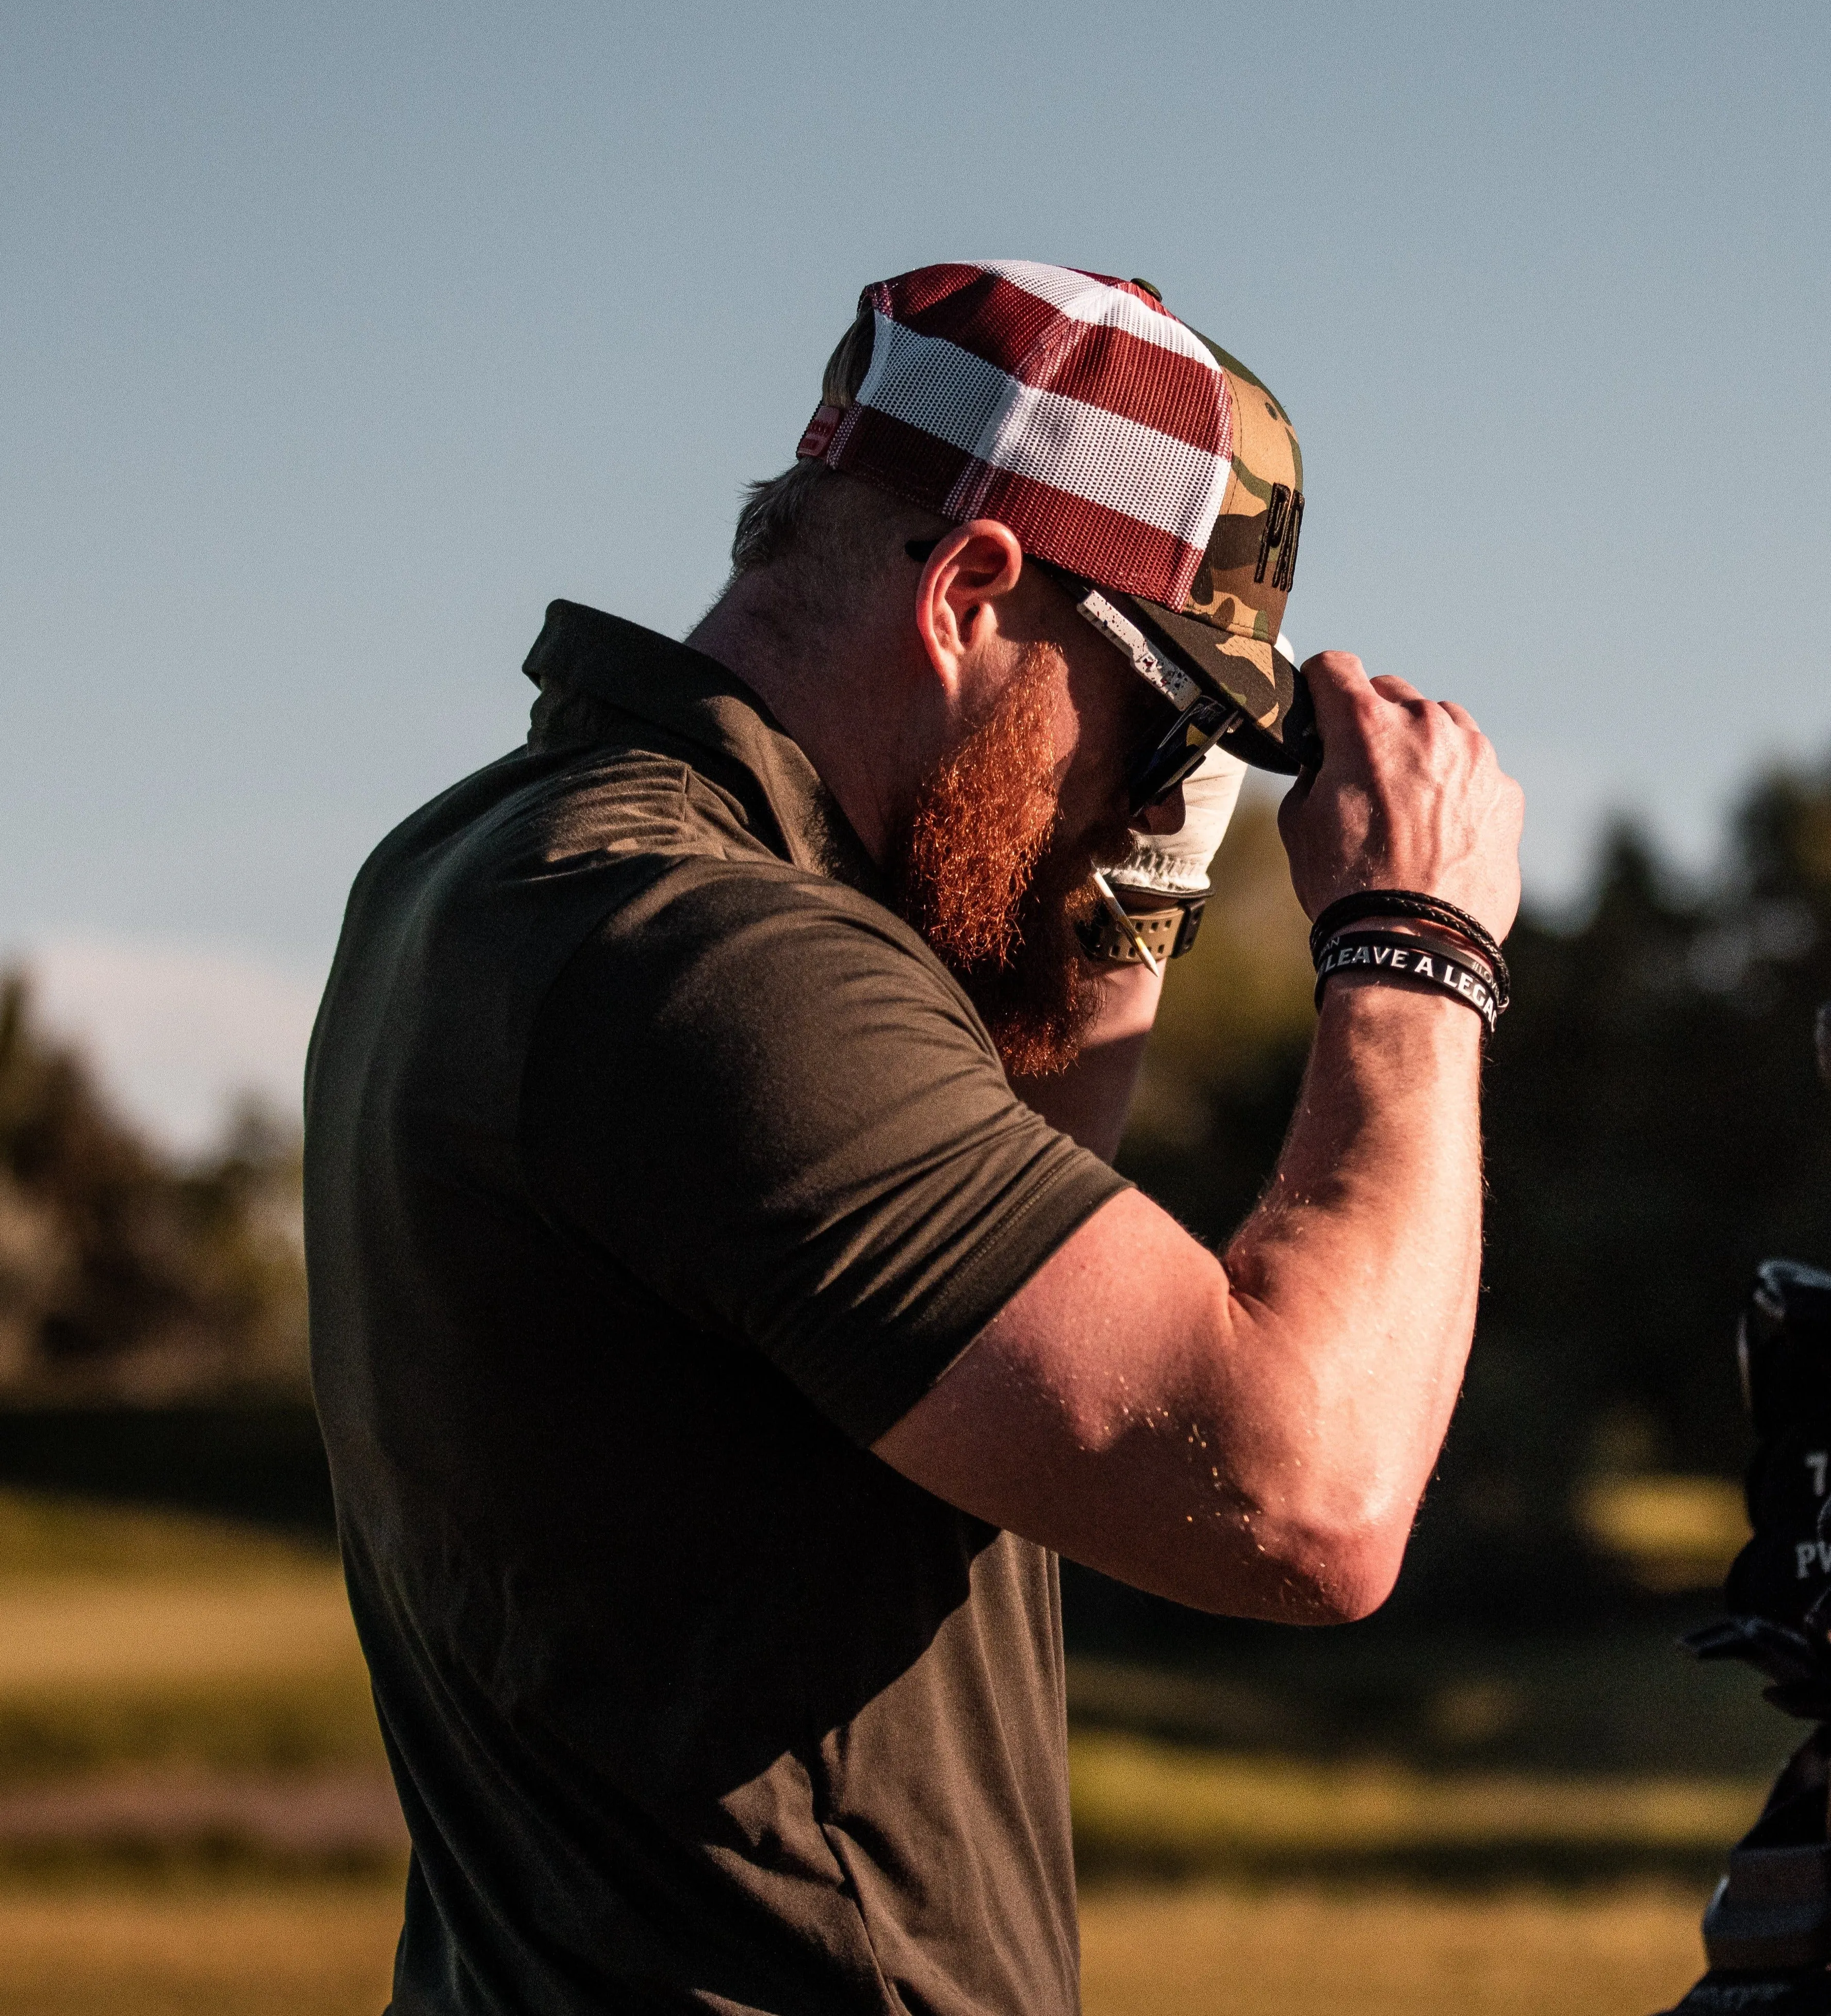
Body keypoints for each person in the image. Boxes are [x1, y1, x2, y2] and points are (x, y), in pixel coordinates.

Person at [304, 260, 1524, 2016]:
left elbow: (1017, 1209)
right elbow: (1301, 1499)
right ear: (968, 591)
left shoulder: (498, 865)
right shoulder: (715, 960)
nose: (1149, 789)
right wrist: (1417, 953)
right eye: (1154, 720)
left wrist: (1133, 871)